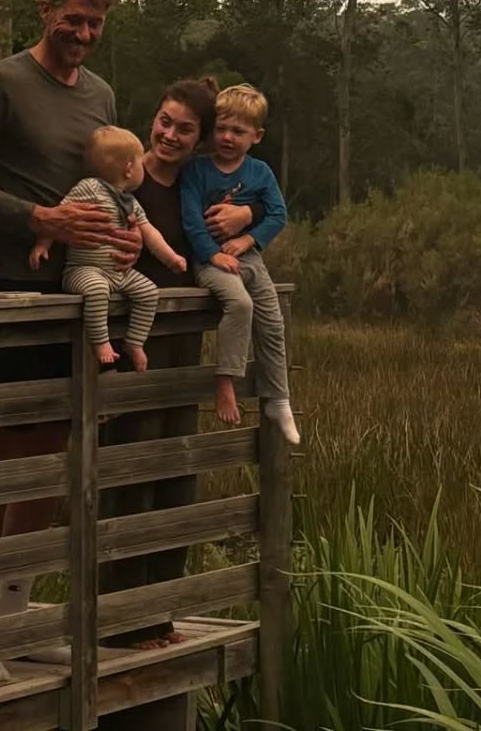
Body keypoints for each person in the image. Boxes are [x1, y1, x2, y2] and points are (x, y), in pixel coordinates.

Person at [0, 0, 139, 681]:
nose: (82, 34)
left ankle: (15, 623)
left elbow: (110, 184)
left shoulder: (102, 95)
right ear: (46, 10)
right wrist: (35, 218)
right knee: (1, 455)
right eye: (72, 19)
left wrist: (126, 237)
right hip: (5, 290)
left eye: (94, 23)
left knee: (51, 459)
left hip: (76, 294)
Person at [98, 78, 258, 649]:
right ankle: (120, 622)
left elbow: (249, 216)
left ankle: (158, 614)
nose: (169, 134)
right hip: (128, 350)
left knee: (176, 480)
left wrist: (245, 217)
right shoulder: (124, 178)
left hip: (182, 351)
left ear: (200, 139)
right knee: (128, 479)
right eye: (165, 121)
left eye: (185, 129)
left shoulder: (196, 186)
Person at [180, 83, 300, 446]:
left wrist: (248, 240)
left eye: (238, 131)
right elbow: (190, 221)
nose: (228, 138)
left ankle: (279, 399)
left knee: (272, 321)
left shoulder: (260, 172)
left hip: (248, 256)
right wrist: (212, 254)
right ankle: (225, 381)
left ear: (256, 136)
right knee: (240, 304)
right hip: (209, 258)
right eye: (221, 129)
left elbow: (278, 215)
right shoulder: (197, 170)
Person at [31, 126, 187, 370]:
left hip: (120, 272)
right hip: (84, 269)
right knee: (97, 290)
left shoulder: (129, 201)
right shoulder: (89, 188)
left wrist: (171, 259)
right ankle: (100, 342)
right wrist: (43, 244)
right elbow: (59, 216)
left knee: (148, 292)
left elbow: (149, 232)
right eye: (140, 164)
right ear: (129, 168)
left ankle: (134, 342)